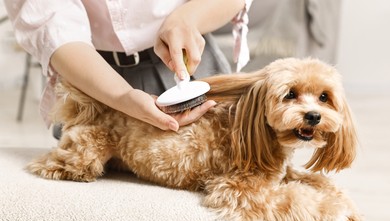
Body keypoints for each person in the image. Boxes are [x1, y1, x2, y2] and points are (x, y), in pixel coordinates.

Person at [4, 0, 251, 134]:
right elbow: (52, 25)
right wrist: (122, 96)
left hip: (190, 59)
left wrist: (187, 18)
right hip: (91, 80)